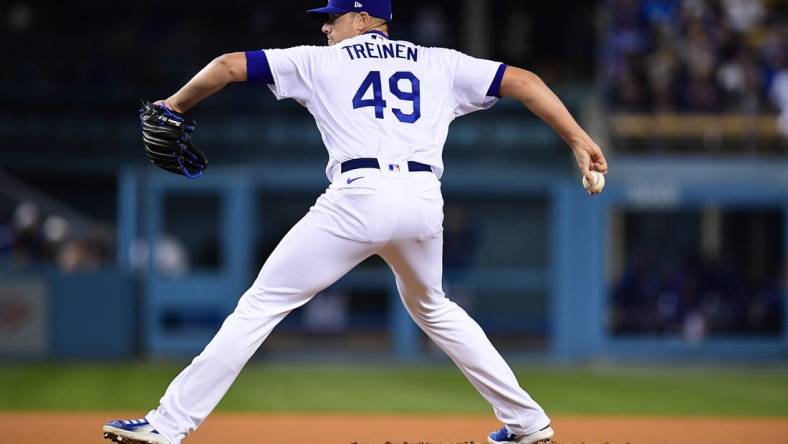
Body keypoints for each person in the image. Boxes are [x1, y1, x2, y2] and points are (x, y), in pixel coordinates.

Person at [103, 1, 608, 443]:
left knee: (260, 305)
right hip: (421, 201)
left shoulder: (318, 60)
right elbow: (526, 82)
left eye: (332, 17)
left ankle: (167, 426)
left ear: (364, 18)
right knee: (434, 306)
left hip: (358, 198)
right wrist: (580, 140)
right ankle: (526, 421)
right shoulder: (439, 62)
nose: (325, 27)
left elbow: (228, 66)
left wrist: (174, 104)